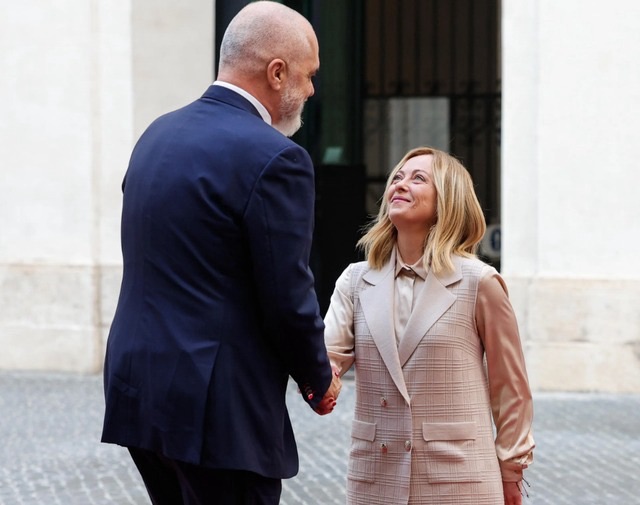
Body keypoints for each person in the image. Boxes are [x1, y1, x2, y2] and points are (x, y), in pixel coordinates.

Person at [101, 2, 341, 504]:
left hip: (138, 388)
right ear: (277, 73)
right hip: (216, 408)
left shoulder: (156, 135)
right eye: (309, 74)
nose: (312, 90)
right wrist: (318, 378)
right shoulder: (277, 157)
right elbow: (287, 294)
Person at [324, 146, 535, 505]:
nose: (400, 184)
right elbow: (327, 356)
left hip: (459, 480)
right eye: (397, 178)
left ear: (447, 200)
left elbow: (510, 388)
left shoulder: (480, 282)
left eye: (418, 178)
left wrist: (512, 467)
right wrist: (320, 382)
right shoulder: (355, 280)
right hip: (376, 479)